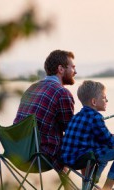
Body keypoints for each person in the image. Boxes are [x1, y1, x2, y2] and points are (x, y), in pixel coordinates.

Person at [13, 50, 77, 184]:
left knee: (58, 143)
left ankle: (69, 187)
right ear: (60, 69)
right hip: (40, 157)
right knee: (87, 146)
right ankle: (89, 186)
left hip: (18, 153)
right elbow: (72, 132)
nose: (75, 72)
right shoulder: (62, 92)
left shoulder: (32, 87)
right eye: (73, 67)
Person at [61, 80, 114, 190]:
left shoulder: (76, 116)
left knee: (102, 148)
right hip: (83, 159)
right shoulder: (96, 117)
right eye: (104, 97)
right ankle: (107, 188)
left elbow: (93, 135)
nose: (107, 100)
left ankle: (90, 185)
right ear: (94, 102)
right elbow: (112, 144)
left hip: (67, 159)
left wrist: (113, 135)